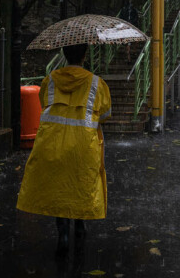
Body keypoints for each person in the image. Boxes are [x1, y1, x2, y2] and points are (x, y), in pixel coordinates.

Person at [16, 43, 112, 257]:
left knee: (59, 186)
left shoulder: (50, 80)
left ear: (65, 55)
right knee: (79, 184)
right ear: (85, 55)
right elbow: (105, 114)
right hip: (82, 145)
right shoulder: (97, 83)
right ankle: (79, 226)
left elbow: (44, 105)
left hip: (53, 142)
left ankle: (63, 234)